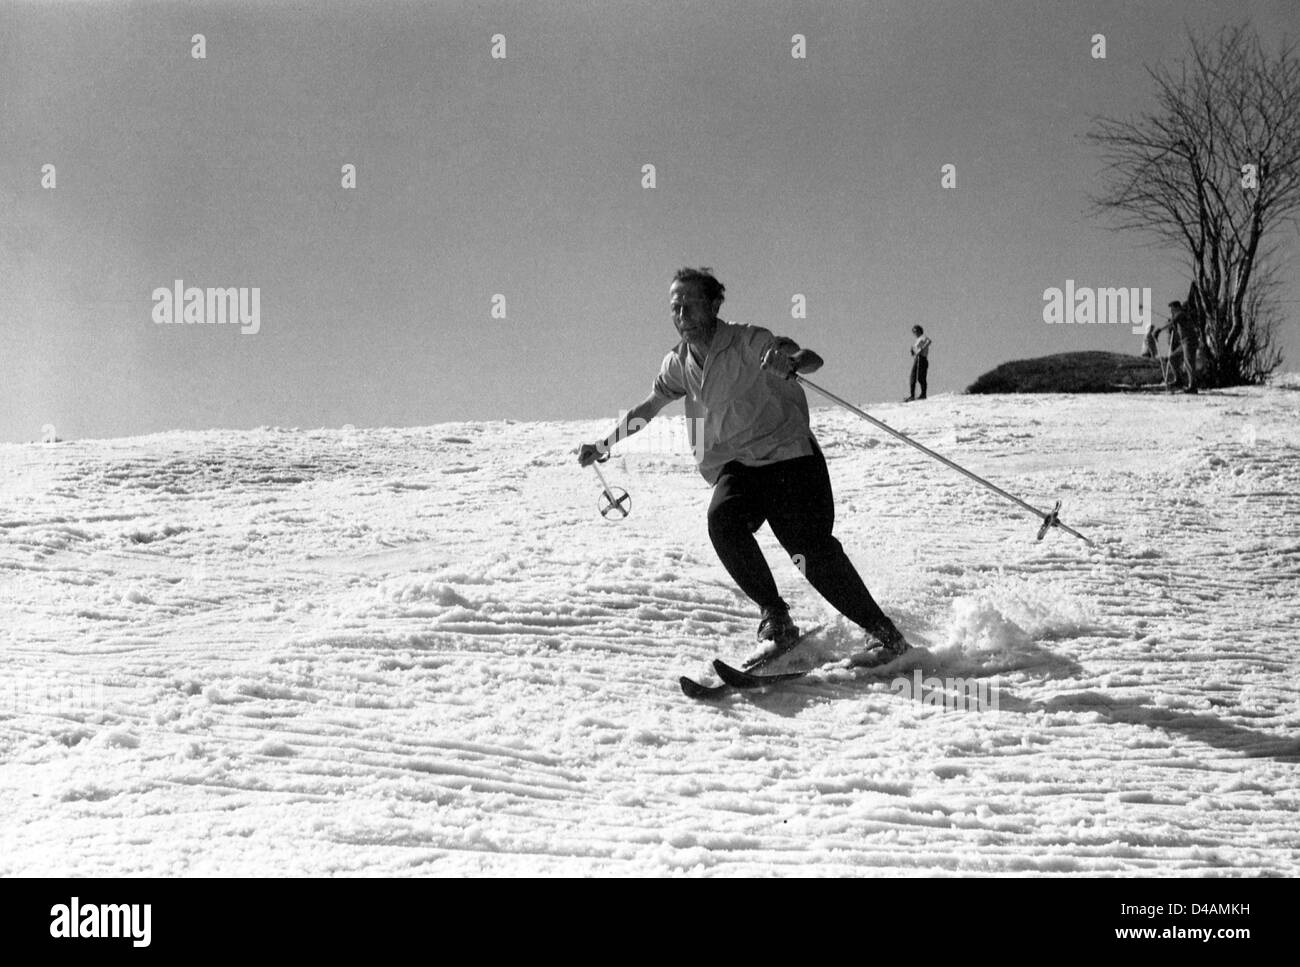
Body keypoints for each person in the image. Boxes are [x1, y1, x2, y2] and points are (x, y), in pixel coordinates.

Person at [577, 267, 912, 663]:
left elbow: (809, 358)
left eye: (690, 304)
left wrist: (790, 362)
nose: (681, 314)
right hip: (740, 466)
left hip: (790, 459)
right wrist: (605, 443)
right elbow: (648, 408)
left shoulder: (749, 340)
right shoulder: (678, 362)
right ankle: (776, 617)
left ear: (715, 304)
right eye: (674, 307)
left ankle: (884, 634)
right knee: (723, 521)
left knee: (807, 550)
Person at [907, 325, 931, 401]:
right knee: (917, 377)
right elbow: (915, 351)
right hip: (918, 358)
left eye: (915, 331)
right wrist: (913, 351)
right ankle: (918, 394)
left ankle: (915, 395)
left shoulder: (922, 337)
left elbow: (928, 341)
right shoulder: (917, 340)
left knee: (917, 377)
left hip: (921, 358)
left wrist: (921, 348)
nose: (914, 333)